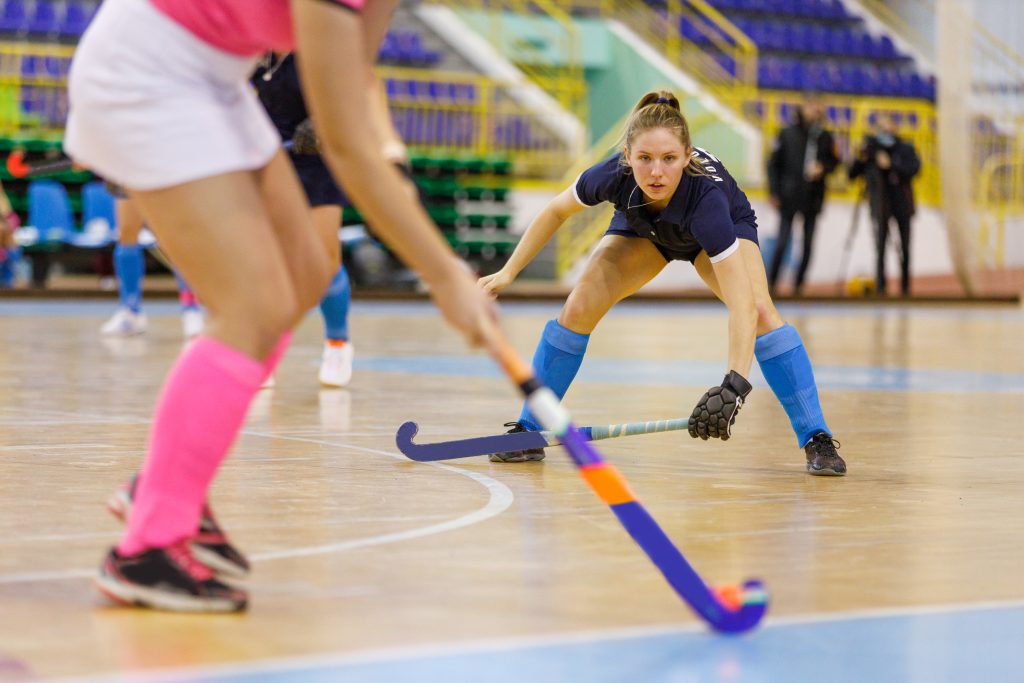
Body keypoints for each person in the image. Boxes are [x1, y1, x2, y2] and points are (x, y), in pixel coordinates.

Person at [64, 0, 495, 612]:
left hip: (215, 78)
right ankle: (146, 549)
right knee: (252, 307)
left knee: (304, 275)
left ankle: (164, 485)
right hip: (153, 66)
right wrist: (444, 273)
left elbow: (353, 85)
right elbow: (345, 144)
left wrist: (388, 153)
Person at [479, 91, 846, 479]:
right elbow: (556, 210)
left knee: (761, 312)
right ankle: (528, 429)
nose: (656, 172)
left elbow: (742, 306)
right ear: (627, 157)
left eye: (669, 159)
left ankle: (816, 436)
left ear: (687, 157)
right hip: (644, 228)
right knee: (577, 307)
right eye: (645, 159)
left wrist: (734, 385)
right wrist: (508, 272)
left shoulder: (707, 202)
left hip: (716, 229)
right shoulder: (613, 176)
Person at [253, 51, 413, 387]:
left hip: (316, 159)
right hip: (268, 160)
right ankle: (266, 348)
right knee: (270, 258)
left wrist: (328, 123)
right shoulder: (255, 51)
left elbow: (360, 85)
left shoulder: (313, 46)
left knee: (324, 259)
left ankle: (338, 343)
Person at [100, 190, 205, 339]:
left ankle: (192, 309)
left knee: (174, 236)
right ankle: (131, 312)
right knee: (126, 232)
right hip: (130, 172)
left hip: (164, 173)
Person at [766, 94, 840, 296]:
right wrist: (774, 191)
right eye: (812, 107)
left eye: (820, 107)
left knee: (808, 244)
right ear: (804, 108)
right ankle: (771, 284)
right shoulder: (786, 134)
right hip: (789, 196)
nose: (816, 111)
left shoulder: (826, 137)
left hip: (813, 198)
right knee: (782, 241)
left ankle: (798, 285)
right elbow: (773, 165)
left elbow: (835, 162)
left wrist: (822, 167)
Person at [848, 113, 920, 297]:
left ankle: (905, 288)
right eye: (880, 127)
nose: (884, 130)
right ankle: (881, 287)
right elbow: (852, 173)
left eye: (887, 126)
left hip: (902, 204)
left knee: (905, 247)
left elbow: (914, 169)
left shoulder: (905, 148)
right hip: (880, 205)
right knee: (880, 246)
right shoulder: (871, 150)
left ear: (894, 127)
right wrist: (862, 157)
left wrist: (891, 164)